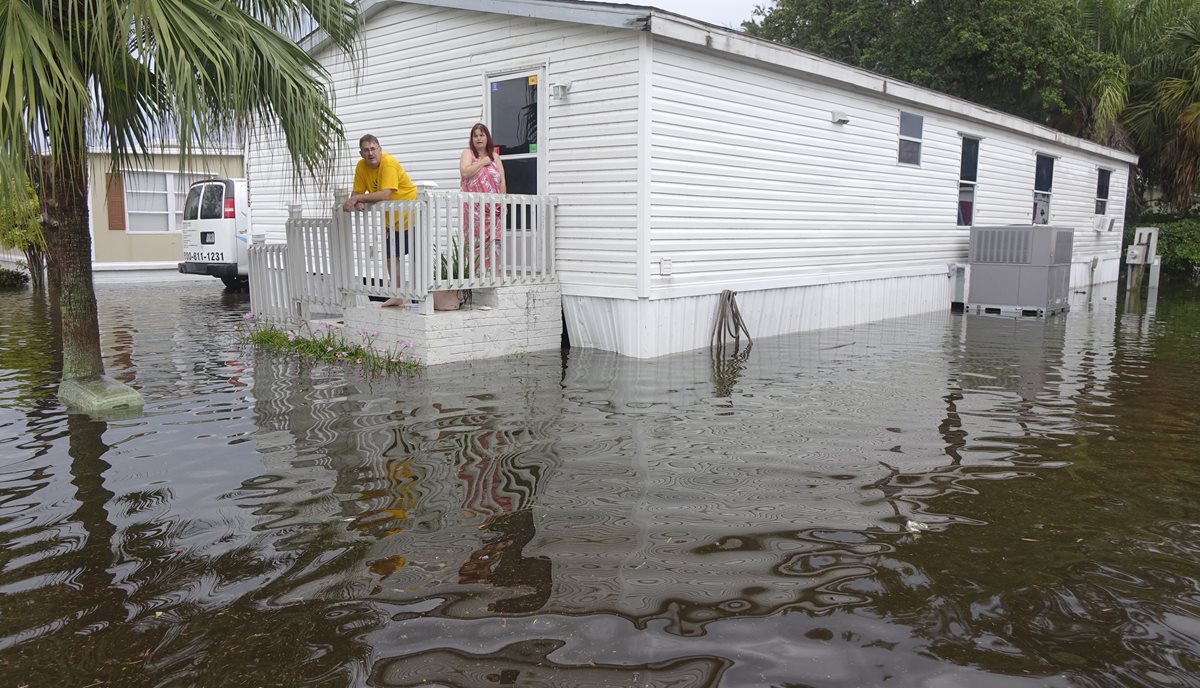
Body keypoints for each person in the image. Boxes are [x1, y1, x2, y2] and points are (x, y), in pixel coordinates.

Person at [342, 134, 417, 307]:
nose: (370, 153)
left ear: (380, 150)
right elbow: (357, 192)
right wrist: (357, 199)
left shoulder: (388, 163)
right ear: (361, 153)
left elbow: (386, 194)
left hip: (411, 217)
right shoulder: (361, 166)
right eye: (366, 150)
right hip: (392, 221)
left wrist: (358, 198)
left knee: (416, 257)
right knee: (391, 257)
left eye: (373, 149)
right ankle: (398, 295)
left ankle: (419, 296)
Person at [459, 123, 506, 273]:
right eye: (475, 136)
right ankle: (475, 276)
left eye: (482, 135)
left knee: (494, 243)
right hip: (474, 211)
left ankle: (494, 276)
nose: (478, 138)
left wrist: (502, 203)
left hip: (493, 210)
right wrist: (482, 162)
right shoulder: (468, 153)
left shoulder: (495, 157)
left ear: (487, 137)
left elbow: (502, 181)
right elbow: (465, 173)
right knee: (476, 244)